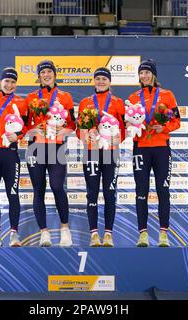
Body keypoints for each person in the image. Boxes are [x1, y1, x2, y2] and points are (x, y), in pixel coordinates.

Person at [127, 59, 181, 247]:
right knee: (141, 191)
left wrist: (163, 128)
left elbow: (177, 121)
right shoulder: (133, 97)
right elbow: (129, 122)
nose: (144, 76)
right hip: (141, 147)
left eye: (147, 72)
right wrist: (132, 125)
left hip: (161, 148)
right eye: (141, 73)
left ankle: (163, 234)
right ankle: (142, 233)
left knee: (163, 190)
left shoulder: (167, 95)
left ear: (154, 75)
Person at [25, 60, 76, 247]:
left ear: (55, 74)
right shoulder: (30, 97)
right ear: (38, 76)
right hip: (35, 147)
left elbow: (73, 124)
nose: (46, 75)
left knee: (57, 186)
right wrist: (33, 128)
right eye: (43, 72)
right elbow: (23, 126)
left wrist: (66, 130)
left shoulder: (65, 96)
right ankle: (44, 233)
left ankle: (65, 230)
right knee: (38, 190)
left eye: (49, 71)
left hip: (57, 147)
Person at [77, 67, 125, 247]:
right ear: (94, 81)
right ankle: (94, 234)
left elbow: (124, 129)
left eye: (104, 78)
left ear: (110, 81)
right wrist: (85, 135)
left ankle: (108, 235)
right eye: (98, 78)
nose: (101, 81)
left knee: (110, 193)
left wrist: (119, 137)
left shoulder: (118, 102)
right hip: (91, 152)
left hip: (111, 152)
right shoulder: (85, 102)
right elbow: (78, 130)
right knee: (92, 193)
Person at [0, 67, 28, 247]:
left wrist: (19, 135)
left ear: (16, 84)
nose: (9, 85)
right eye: (6, 81)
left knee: (13, 194)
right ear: (1, 82)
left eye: (13, 82)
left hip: (10, 154)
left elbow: (26, 126)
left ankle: (14, 235)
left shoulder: (21, 102)